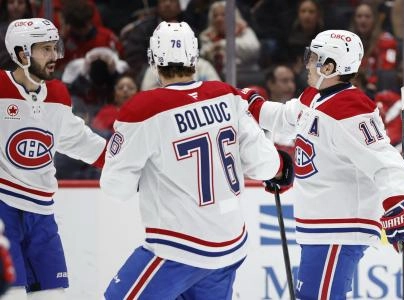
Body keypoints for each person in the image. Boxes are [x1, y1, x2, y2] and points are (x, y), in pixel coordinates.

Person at [100, 21, 293, 300]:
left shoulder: (142, 110)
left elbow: (116, 187)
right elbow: (263, 164)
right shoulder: (226, 94)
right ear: (194, 57)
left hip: (178, 248)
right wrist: (281, 167)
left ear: (153, 59)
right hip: (230, 245)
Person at [246, 29, 404, 299]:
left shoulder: (350, 108)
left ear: (329, 66)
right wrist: (247, 101)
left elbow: (386, 162)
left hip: (340, 228)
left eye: (313, 57)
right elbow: (283, 117)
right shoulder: (313, 97)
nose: (307, 62)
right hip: (321, 228)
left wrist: (399, 207)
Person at [0, 18, 106, 300]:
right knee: (10, 294)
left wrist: (122, 161)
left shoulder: (58, 95)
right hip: (3, 209)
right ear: (22, 54)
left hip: (42, 213)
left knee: (53, 294)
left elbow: (78, 138)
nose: (54, 56)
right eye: (45, 49)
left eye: (54, 48)